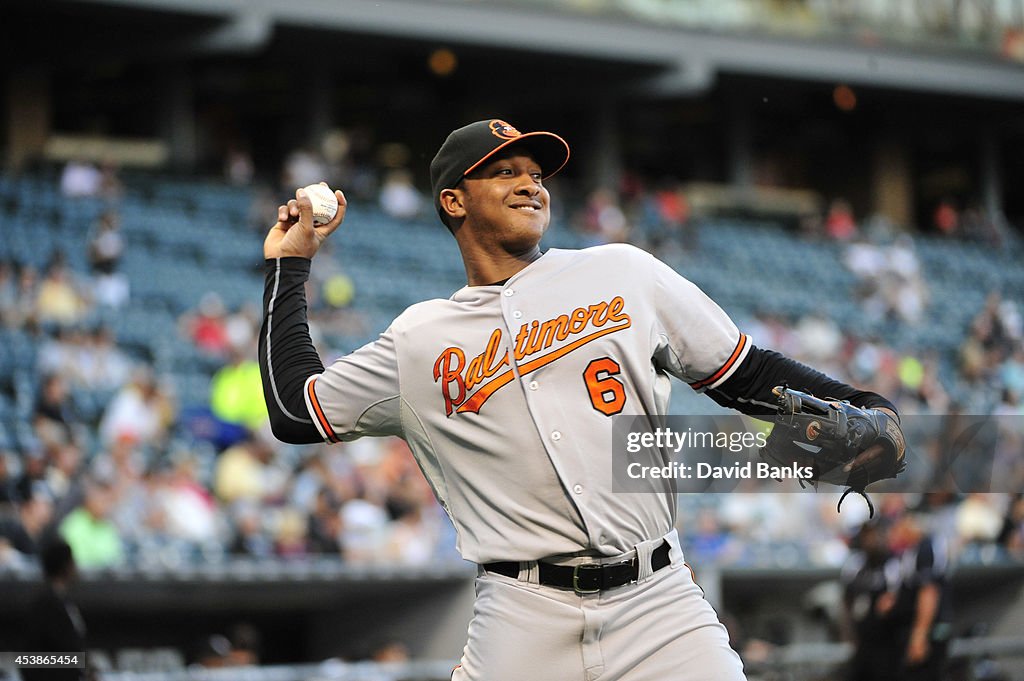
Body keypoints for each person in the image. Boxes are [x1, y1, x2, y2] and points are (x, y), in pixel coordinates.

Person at [259, 119, 903, 679]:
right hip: (521, 616)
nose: (530, 183)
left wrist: (863, 402)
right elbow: (295, 410)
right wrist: (289, 269)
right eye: (504, 171)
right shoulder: (419, 339)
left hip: (658, 602)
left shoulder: (621, 271)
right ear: (453, 200)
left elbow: (745, 371)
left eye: (536, 173)